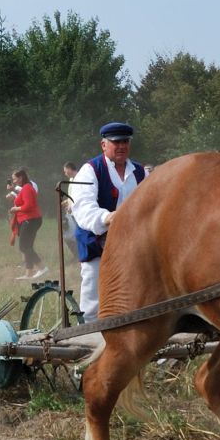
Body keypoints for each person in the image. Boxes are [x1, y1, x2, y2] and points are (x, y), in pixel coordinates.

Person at [69, 122, 146, 319]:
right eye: (116, 142)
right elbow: (83, 206)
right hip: (96, 240)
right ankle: (88, 335)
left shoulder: (140, 171)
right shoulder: (90, 170)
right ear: (103, 144)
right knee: (94, 296)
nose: (121, 146)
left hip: (130, 241)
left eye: (125, 141)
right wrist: (107, 217)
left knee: (135, 291)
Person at [7, 169, 47, 279]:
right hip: (28, 219)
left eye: (15, 179)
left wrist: (16, 208)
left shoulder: (27, 188)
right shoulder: (25, 188)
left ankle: (42, 268)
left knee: (24, 246)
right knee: (27, 246)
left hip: (31, 220)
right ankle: (29, 273)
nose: (13, 181)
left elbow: (29, 206)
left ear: (21, 178)